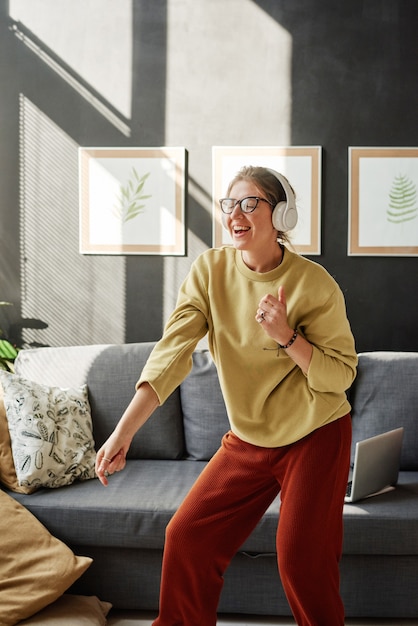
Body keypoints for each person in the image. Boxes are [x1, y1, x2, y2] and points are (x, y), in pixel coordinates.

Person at [95, 165, 357, 626]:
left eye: (250, 202)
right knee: (187, 538)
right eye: (229, 203)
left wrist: (286, 336)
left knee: (302, 560)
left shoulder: (315, 284)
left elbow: (340, 375)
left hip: (316, 432)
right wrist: (123, 431)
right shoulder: (210, 271)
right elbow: (171, 354)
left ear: (281, 215)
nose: (235, 213)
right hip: (250, 438)